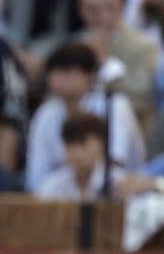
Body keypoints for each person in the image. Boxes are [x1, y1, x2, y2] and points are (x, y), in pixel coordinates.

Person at [24, 41, 143, 193]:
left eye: (67, 72)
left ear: (90, 75)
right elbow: (37, 174)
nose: (57, 79)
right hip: (64, 192)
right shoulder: (45, 113)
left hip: (119, 191)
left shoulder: (113, 104)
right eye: (54, 72)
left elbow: (115, 163)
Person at [73, 0, 161, 121]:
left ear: (121, 6)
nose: (102, 16)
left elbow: (138, 102)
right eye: (93, 10)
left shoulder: (143, 47)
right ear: (81, 11)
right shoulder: (73, 47)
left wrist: (104, 64)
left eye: (109, 7)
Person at [36, 112, 125, 200]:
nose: (75, 152)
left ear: (101, 144)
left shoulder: (120, 184)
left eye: (82, 143)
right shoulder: (52, 187)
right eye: (69, 144)